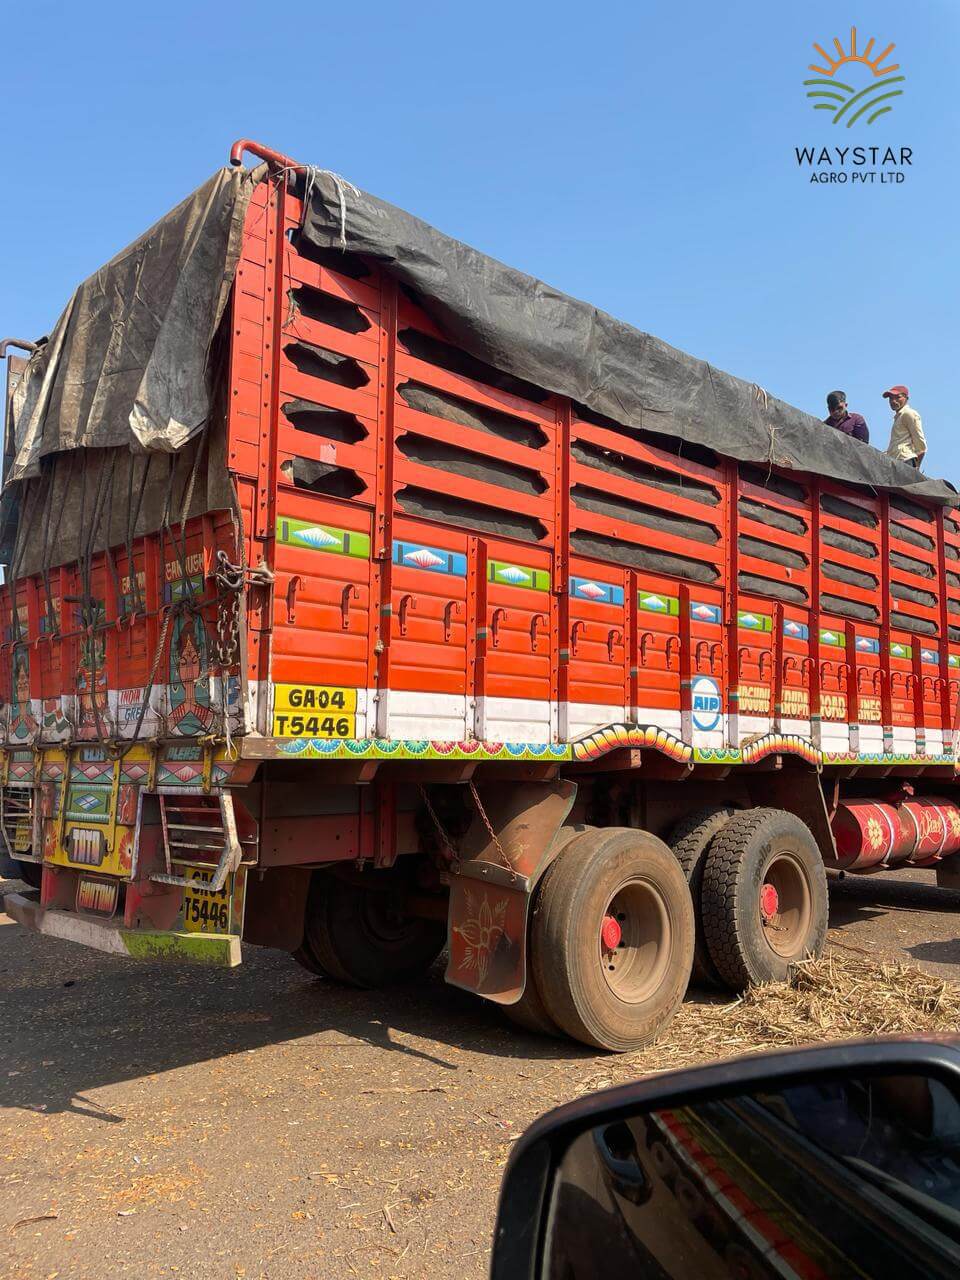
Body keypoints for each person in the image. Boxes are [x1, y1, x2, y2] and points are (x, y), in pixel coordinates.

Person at [883, 384, 926, 468]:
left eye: (898, 397)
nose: (893, 401)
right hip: (895, 462)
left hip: (905, 460)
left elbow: (921, 445)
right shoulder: (899, 416)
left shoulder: (909, 413)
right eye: (891, 398)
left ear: (906, 398)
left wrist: (916, 467)